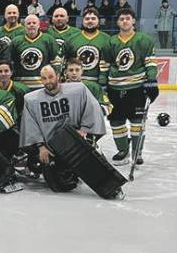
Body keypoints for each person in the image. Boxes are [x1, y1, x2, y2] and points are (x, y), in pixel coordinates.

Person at [19, 66, 110, 194]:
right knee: (58, 186)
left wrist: (84, 130)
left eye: (51, 77)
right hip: (51, 146)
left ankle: (107, 179)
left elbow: (92, 108)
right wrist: (41, 147)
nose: (48, 81)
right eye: (44, 78)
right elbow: (30, 125)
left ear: (58, 76)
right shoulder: (31, 99)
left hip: (75, 140)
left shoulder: (78, 90)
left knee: (93, 166)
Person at [107, 9, 158, 165]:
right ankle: (123, 150)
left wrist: (151, 81)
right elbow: (105, 65)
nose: (124, 21)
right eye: (121, 19)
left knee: (137, 120)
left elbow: (150, 62)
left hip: (136, 88)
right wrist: (103, 84)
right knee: (116, 121)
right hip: (115, 89)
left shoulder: (144, 40)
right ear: (117, 22)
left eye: (128, 18)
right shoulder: (111, 41)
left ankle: (137, 151)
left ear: (134, 21)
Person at [63, 10, 112, 86]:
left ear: (98, 21)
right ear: (82, 21)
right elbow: (65, 61)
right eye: (87, 19)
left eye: (93, 18)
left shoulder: (107, 39)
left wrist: (102, 81)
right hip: (74, 83)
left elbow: (107, 63)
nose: (90, 21)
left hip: (96, 84)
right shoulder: (71, 39)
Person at [12, 14, 60, 87]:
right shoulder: (16, 41)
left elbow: (56, 62)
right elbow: (11, 63)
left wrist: (54, 80)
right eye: (28, 23)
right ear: (24, 26)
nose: (31, 25)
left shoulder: (48, 40)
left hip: (43, 85)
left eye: (34, 23)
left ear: (38, 25)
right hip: (21, 85)